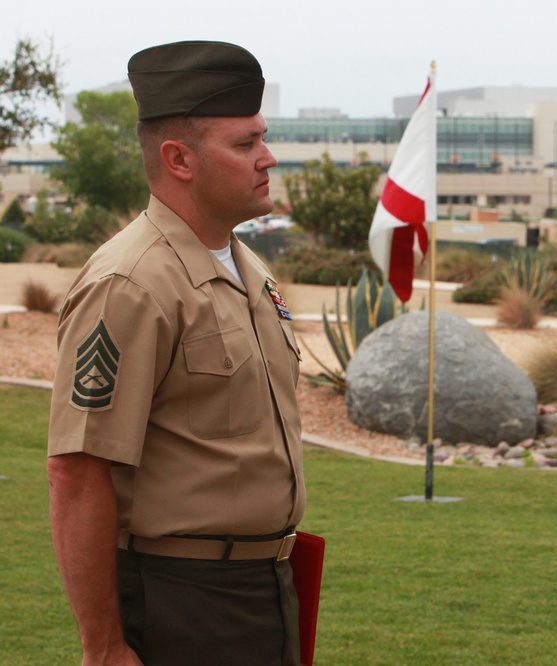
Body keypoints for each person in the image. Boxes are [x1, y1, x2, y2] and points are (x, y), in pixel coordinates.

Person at [47, 41, 305, 666]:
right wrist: (106, 648)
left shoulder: (248, 269)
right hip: (180, 602)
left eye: (262, 138)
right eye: (245, 145)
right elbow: (78, 474)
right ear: (178, 159)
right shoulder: (130, 283)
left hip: (263, 592)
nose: (268, 158)